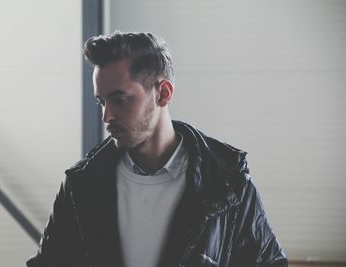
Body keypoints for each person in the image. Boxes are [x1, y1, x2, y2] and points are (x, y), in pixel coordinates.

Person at [27, 31, 289, 267]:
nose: (106, 116)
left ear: (163, 93)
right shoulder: (81, 185)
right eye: (101, 102)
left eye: (119, 98)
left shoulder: (227, 181)